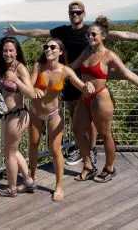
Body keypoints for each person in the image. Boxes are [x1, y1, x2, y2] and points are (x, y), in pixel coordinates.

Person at [3, 0, 138, 166]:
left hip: (88, 85)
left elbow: (121, 35)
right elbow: (40, 33)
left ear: (84, 13)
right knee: (75, 116)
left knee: (92, 122)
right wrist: (18, 32)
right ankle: (82, 151)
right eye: (72, 13)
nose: (75, 15)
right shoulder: (67, 33)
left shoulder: (92, 32)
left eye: (78, 12)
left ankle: (92, 151)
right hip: (68, 80)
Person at [71, 16, 138, 182]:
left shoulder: (109, 55)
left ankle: (109, 168)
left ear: (103, 36)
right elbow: (72, 68)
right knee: (77, 130)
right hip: (84, 96)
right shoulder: (86, 51)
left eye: (94, 35)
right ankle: (88, 166)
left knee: (105, 134)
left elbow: (128, 74)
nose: (90, 37)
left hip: (101, 97)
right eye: (88, 35)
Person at [27, 38, 88, 201]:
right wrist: (33, 89)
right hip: (35, 111)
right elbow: (29, 86)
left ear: (60, 51)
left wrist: (88, 87)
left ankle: (59, 186)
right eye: (46, 47)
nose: (48, 49)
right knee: (33, 144)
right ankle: (31, 176)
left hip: (54, 113)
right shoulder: (38, 66)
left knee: (55, 150)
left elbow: (80, 85)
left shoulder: (65, 71)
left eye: (52, 47)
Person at [0, 36, 41, 197]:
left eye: (11, 50)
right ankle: (28, 181)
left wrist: (17, 81)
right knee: (13, 150)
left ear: (17, 51)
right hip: (9, 115)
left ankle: (11, 188)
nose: (7, 53)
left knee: (10, 154)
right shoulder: (3, 68)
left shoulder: (20, 69)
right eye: (5, 50)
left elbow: (32, 93)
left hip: (18, 115)